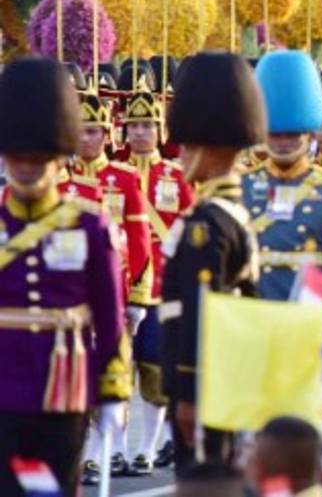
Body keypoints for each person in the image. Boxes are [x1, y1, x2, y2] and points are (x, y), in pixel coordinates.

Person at [0, 57, 129, 493]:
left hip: (64, 385)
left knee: (55, 489)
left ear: (58, 157)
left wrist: (113, 390)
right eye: (18, 156)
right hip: (2, 383)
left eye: (37, 157)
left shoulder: (89, 226)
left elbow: (110, 317)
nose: (26, 167)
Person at [158, 52, 264, 472]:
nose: (181, 155)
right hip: (224, 383)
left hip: (207, 387)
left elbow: (202, 311)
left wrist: (189, 392)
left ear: (210, 147)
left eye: (188, 145)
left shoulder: (209, 224)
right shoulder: (228, 211)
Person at [71, 89, 154, 484]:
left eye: (93, 131)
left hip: (115, 290)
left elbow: (139, 239)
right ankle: (88, 451)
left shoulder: (123, 178)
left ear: (106, 135)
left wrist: (137, 296)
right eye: (80, 132)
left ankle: (116, 450)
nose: (86, 139)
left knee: (117, 371)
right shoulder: (63, 181)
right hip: (72, 297)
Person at [243, 51, 322, 309]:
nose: (284, 142)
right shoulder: (244, 185)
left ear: (309, 133)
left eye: (293, 134)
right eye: (275, 133)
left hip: (311, 315)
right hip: (255, 313)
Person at [122, 77, 195, 475]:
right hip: (122, 289)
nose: (140, 131)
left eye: (148, 124)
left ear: (159, 130)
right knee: (117, 376)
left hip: (162, 290)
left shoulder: (177, 177)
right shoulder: (111, 176)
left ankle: (147, 450)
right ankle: (111, 450)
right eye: (134, 125)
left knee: (155, 374)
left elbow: (188, 232)